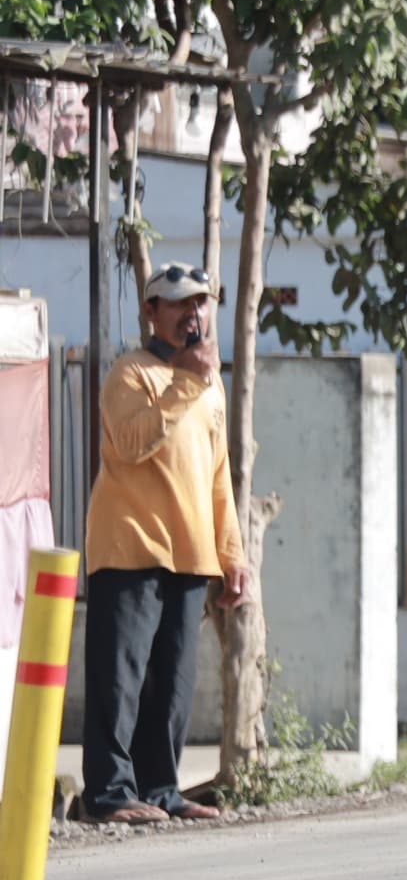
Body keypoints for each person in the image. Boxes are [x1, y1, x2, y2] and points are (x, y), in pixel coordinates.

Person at [80, 264, 247, 824]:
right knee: (119, 679)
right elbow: (130, 444)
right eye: (177, 303)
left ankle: (160, 790)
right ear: (151, 312)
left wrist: (232, 554)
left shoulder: (209, 385)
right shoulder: (131, 374)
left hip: (190, 551)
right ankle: (107, 794)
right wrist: (183, 382)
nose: (192, 314)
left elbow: (219, 474)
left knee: (172, 686)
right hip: (130, 547)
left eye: (200, 303)